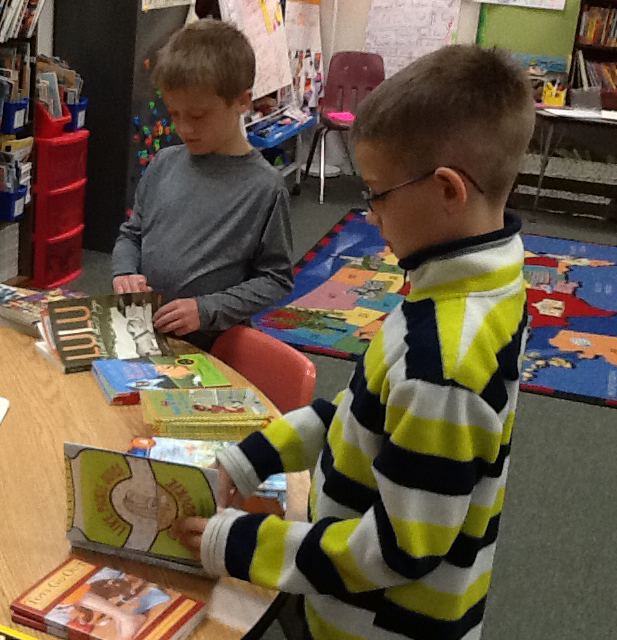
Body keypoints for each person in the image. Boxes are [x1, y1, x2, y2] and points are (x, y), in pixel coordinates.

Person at [175, 44, 535, 640]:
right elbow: (361, 413)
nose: (370, 215)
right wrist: (250, 459)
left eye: (377, 193)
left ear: (448, 190)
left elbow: (396, 551)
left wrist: (241, 543)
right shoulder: (465, 287)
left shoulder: (443, 360)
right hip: (346, 601)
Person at [111, 19, 294, 350]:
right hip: (144, 334)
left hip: (213, 348)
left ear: (242, 101)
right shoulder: (164, 163)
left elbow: (275, 279)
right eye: (174, 114)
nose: (184, 128)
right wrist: (124, 271)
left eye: (197, 116)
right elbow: (131, 235)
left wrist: (207, 310)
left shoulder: (265, 188)